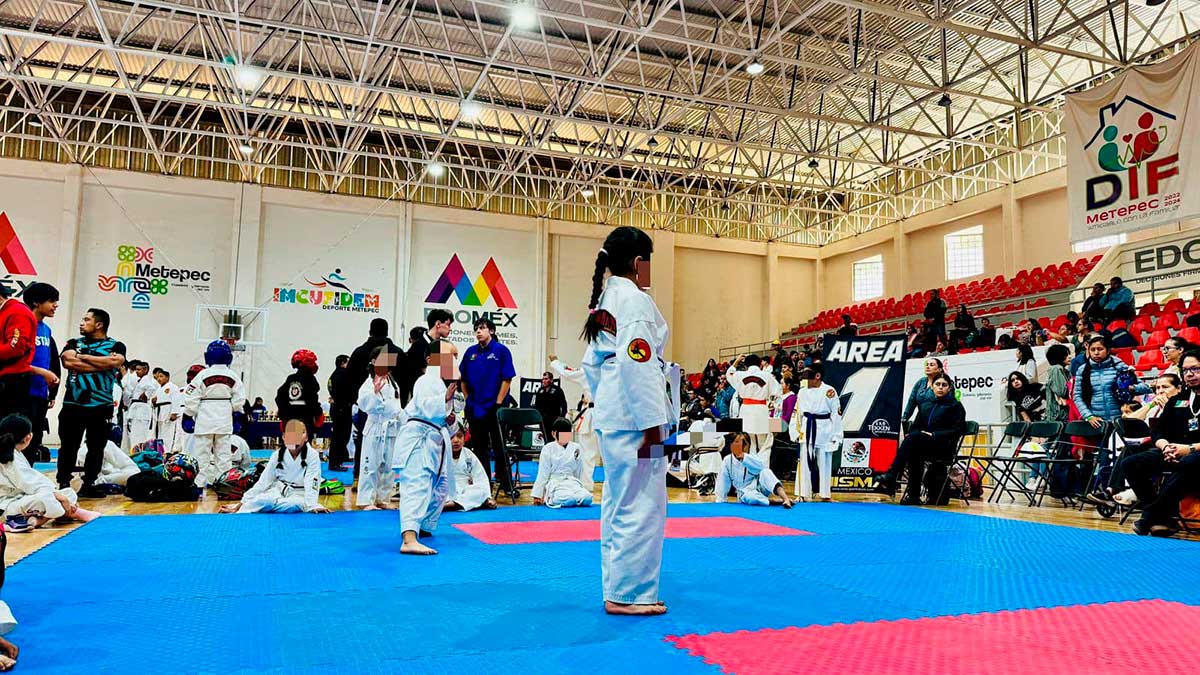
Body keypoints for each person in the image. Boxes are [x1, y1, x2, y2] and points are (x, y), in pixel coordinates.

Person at [580, 226, 674, 616]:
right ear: (638, 263)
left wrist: (608, 404)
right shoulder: (633, 300)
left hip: (614, 412)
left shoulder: (606, 299)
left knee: (620, 502)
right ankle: (629, 594)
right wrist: (653, 426)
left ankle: (619, 589)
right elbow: (640, 365)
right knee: (643, 504)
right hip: (637, 419)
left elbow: (591, 365)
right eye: (648, 263)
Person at [1125, 352, 1200, 536]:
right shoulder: (1177, 400)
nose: (1189, 374)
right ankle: (1165, 519)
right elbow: (1158, 431)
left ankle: (1151, 516)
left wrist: (1189, 449)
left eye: (1195, 369)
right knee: (1131, 463)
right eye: (1185, 370)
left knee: (1189, 462)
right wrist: (1165, 446)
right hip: (1174, 450)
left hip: (1195, 453)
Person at [394, 340, 457, 555]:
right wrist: (444, 399)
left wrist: (450, 419)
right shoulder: (425, 380)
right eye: (447, 356)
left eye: (454, 357)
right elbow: (424, 406)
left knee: (441, 488)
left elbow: (447, 420)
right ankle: (409, 539)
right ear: (431, 359)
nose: (452, 361)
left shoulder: (442, 384)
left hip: (435, 439)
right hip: (419, 439)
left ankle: (424, 526)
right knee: (417, 485)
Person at [56, 309, 126, 497]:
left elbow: (116, 362)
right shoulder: (74, 343)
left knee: (96, 448)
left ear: (99, 324)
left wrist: (84, 357)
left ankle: (89, 483)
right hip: (73, 404)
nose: (81, 322)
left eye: (86, 319)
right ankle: (63, 482)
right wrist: (103, 363)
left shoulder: (116, 345)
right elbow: (68, 362)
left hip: (101, 406)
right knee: (68, 446)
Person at [874, 373, 966, 505]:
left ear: (949, 388)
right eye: (937, 384)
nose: (940, 387)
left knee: (913, 440)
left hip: (944, 447)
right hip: (924, 443)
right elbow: (916, 426)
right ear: (932, 387)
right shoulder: (925, 405)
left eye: (944, 385)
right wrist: (913, 434)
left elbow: (958, 430)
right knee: (913, 449)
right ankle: (913, 496)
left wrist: (934, 435)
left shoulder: (956, 406)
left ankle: (892, 475)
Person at [0, 414, 101, 531]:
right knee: (47, 499)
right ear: (29, 437)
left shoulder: (13, 453)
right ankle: (72, 513)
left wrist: (59, 495)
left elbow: (32, 484)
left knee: (68, 493)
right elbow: (31, 484)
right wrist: (58, 496)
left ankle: (38, 519)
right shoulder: (11, 458)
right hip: (6, 507)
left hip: (17, 499)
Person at [459, 317, 516, 499]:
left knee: (500, 448)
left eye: (482, 328)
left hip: (495, 408)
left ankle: (507, 485)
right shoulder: (470, 352)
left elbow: (507, 379)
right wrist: (468, 400)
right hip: (475, 408)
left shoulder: (501, 351)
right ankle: (484, 485)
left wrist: (498, 403)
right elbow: (463, 380)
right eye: (476, 328)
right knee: (479, 448)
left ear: (491, 331)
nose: (478, 331)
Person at [221, 418, 328, 514]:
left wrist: (312, 505)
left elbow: (312, 482)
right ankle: (246, 507)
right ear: (284, 437)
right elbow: (263, 481)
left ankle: (262, 506)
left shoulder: (312, 455)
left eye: (302, 432)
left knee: (292, 505)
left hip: (298, 495)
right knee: (264, 500)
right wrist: (242, 502)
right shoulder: (277, 455)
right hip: (277, 490)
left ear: (306, 437)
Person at [346, 318, 405, 482]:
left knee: (367, 448)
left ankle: (359, 476)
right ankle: (371, 481)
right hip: (378, 412)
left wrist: (353, 401)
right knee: (377, 455)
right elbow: (406, 378)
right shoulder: (397, 352)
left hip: (377, 413)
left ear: (370, 331)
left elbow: (349, 379)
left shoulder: (359, 352)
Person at [1112, 372, 1183, 506]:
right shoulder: (1154, 407)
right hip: (1151, 447)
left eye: (1165, 387)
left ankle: (1131, 493)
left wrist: (1168, 408)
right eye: (1157, 388)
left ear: (1178, 388)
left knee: (1133, 453)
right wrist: (1150, 405)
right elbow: (1128, 421)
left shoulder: (1182, 405)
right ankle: (1114, 489)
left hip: (1174, 449)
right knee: (1130, 450)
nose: (1160, 391)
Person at [183, 341, 247, 488]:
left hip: (204, 418)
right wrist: (237, 414)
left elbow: (191, 396)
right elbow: (239, 399)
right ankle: (223, 485)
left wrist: (188, 414)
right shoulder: (233, 376)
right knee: (224, 456)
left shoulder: (202, 375)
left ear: (208, 356)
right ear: (228, 357)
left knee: (201, 455)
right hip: (224, 418)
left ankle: (198, 485)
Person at [355, 345, 405, 510]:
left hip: (391, 429)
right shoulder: (369, 382)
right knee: (370, 465)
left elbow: (396, 407)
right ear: (374, 361)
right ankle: (366, 500)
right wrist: (374, 393)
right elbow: (363, 404)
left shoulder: (393, 382)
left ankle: (383, 498)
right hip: (375, 427)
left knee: (388, 467)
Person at [788, 365, 843, 501]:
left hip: (825, 430)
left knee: (825, 462)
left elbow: (836, 415)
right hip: (807, 427)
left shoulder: (829, 391)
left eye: (807, 376)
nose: (805, 379)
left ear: (817, 376)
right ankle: (803, 494)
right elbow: (797, 413)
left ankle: (825, 495)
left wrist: (836, 435)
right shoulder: (802, 392)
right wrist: (794, 430)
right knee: (804, 462)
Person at [549, 355, 599, 491]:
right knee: (607, 455)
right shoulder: (618, 369)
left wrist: (555, 362)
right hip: (608, 415)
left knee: (587, 454)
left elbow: (568, 372)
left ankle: (586, 485)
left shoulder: (589, 371)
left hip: (596, 415)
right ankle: (611, 489)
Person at [22, 283, 59, 465]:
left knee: (34, 439)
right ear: (36, 302)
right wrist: (42, 372)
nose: (56, 305)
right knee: (19, 439)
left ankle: (26, 476)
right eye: (51, 301)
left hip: (40, 394)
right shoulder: (22, 325)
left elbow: (49, 361)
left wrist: (51, 393)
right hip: (22, 392)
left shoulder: (46, 329)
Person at [725, 353, 781, 465]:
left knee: (749, 443)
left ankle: (750, 470)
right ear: (760, 364)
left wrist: (736, 361)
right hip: (761, 411)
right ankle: (763, 469)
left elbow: (729, 374)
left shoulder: (740, 375)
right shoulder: (767, 376)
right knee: (764, 444)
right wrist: (772, 406)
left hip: (746, 411)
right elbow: (777, 393)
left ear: (745, 365)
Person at [714, 431, 793, 507]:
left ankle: (785, 498)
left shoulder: (752, 456)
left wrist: (745, 458)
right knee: (750, 497)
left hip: (760, 488)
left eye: (744, 444)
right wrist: (721, 501)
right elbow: (722, 482)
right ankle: (775, 501)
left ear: (749, 445)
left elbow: (762, 467)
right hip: (746, 494)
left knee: (765, 472)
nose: (741, 447)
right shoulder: (727, 461)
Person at [531, 417, 594, 508]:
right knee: (569, 499)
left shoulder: (576, 448)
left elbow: (579, 471)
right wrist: (537, 495)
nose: (565, 436)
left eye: (567, 433)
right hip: (555, 483)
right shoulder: (548, 448)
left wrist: (580, 486)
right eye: (562, 433)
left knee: (587, 498)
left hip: (572, 482)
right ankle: (551, 498)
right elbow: (543, 473)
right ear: (553, 433)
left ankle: (576, 497)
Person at [0, 286, 36, 422]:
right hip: (6, 379)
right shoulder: (5, 312)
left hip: (11, 382)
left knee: (8, 428)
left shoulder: (17, 312)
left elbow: (15, 347)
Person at [404, 310, 453, 404]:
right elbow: (410, 379)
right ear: (438, 324)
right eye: (448, 325)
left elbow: (449, 377)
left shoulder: (445, 347)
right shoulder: (417, 347)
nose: (450, 329)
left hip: (442, 401)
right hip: (422, 402)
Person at [443, 425, 495, 511]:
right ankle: (457, 504)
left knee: (479, 492)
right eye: (451, 437)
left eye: (459, 436)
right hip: (446, 490)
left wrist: (487, 497)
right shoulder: (440, 455)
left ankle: (450, 505)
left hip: (465, 491)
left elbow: (480, 477)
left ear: (464, 438)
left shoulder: (469, 454)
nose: (456, 440)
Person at [327, 354, 354, 472]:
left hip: (337, 407)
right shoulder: (342, 375)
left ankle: (339, 458)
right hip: (342, 408)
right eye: (348, 362)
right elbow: (348, 390)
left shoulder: (333, 375)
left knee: (340, 435)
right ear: (343, 363)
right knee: (340, 436)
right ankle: (335, 462)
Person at [902, 357, 944, 424]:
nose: (927, 367)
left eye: (931, 365)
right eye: (927, 364)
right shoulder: (921, 381)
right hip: (920, 421)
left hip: (938, 421)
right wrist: (904, 418)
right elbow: (911, 402)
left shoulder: (944, 383)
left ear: (939, 369)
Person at [151, 368, 184, 452]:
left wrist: (174, 413)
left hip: (168, 413)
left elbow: (176, 400)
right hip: (159, 413)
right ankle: (160, 452)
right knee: (159, 435)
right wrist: (153, 402)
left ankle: (168, 451)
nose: (159, 379)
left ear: (167, 377)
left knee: (168, 435)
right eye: (158, 377)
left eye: (161, 376)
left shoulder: (172, 387)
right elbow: (155, 401)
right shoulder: (159, 389)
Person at [533, 370, 568, 439]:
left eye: (546, 379)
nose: (544, 381)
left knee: (554, 438)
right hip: (543, 420)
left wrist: (562, 417)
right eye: (543, 379)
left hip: (554, 419)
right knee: (546, 438)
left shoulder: (558, 390)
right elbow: (536, 405)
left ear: (551, 380)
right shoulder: (540, 390)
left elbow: (564, 405)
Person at [1043, 344, 1072, 423]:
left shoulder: (1064, 370)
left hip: (1061, 413)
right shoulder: (1056, 369)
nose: (1070, 357)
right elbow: (1061, 391)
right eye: (1066, 355)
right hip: (1058, 414)